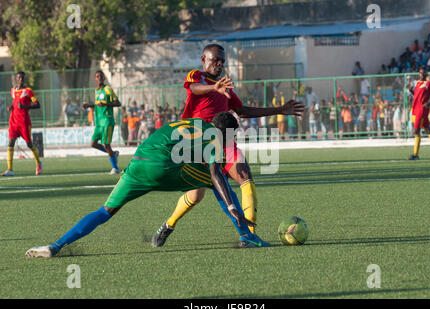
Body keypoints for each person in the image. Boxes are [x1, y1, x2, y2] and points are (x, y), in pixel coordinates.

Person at [24, 112, 269, 258]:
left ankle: (54, 247)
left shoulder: (195, 123)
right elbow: (215, 171)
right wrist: (232, 206)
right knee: (218, 182)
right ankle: (247, 236)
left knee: (104, 211)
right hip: (162, 166)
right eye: (232, 135)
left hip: (138, 162)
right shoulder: (217, 136)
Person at [152, 43, 304, 246]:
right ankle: (168, 225)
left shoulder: (226, 87)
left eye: (222, 60)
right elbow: (195, 89)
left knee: (245, 176)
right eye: (215, 59)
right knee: (196, 195)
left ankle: (249, 236)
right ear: (203, 59)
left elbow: (242, 110)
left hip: (224, 140)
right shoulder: (197, 77)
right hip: (197, 142)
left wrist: (278, 110)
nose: (219, 64)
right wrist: (214, 87)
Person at [1, 71, 42, 177]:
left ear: (24, 79)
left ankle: (38, 162)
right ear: (16, 78)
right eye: (19, 77)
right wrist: (11, 107)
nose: (21, 79)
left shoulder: (28, 91)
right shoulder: (13, 91)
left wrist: (24, 107)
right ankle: (10, 169)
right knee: (11, 143)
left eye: (22, 78)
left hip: (24, 122)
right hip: (13, 121)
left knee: (29, 144)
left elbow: (38, 105)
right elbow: (16, 103)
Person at [82, 70, 121, 174]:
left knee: (107, 144)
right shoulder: (96, 91)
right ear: (95, 79)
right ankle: (113, 154)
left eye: (101, 76)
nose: (99, 78)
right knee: (93, 143)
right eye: (97, 76)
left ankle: (115, 168)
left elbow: (118, 103)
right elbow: (97, 104)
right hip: (98, 123)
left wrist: (106, 104)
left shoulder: (108, 89)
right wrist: (88, 106)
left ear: (103, 78)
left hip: (107, 121)